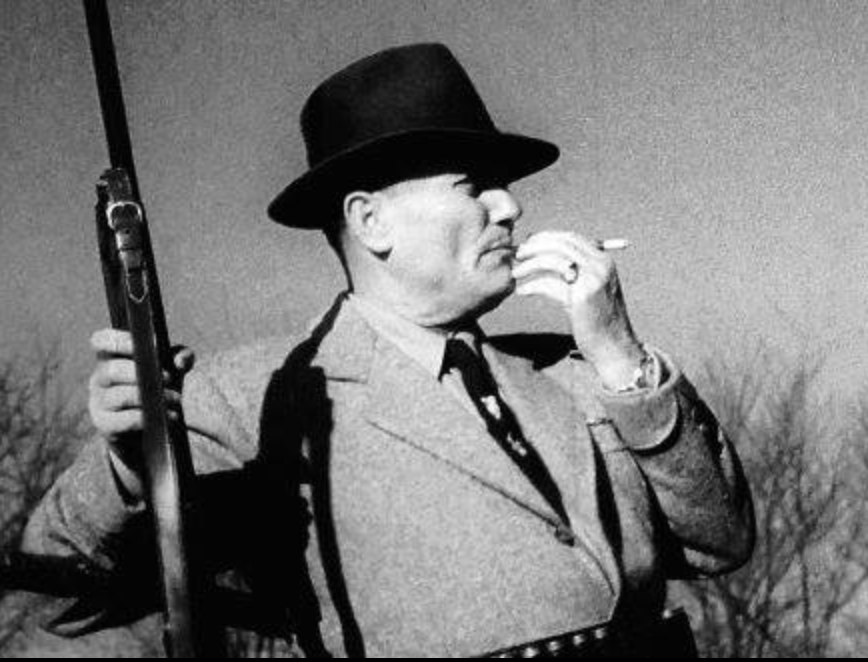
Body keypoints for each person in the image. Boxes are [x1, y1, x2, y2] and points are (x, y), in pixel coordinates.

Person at [23, 43, 754, 657]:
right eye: (475, 186)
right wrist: (129, 466)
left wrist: (622, 357)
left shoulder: (575, 369)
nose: (510, 207)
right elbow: (56, 592)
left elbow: (722, 541)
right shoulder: (264, 398)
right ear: (371, 222)